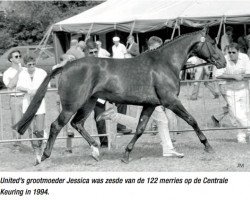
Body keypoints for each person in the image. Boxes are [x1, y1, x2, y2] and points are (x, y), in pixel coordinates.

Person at [96, 36, 184, 158]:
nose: (160, 50)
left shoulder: (155, 58)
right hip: (147, 98)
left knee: (146, 124)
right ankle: (168, 149)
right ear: (150, 47)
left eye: (160, 47)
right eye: (157, 48)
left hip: (150, 97)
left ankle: (112, 115)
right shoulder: (146, 58)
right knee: (161, 121)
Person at [213, 42, 250, 143]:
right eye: (229, 52)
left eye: (233, 52)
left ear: (238, 52)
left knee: (245, 113)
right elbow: (218, 74)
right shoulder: (224, 59)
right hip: (230, 91)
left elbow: (249, 73)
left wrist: (240, 77)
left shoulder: (245, 57)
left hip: (244, 89)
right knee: (237, 114)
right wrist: (234, 77)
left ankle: (241, 137)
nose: (231, 54)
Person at [16, 54, 48, 165]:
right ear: (25, 65)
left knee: (39, 129)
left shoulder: (42, 72)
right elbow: (18, 86)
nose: (32, 66)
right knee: (30, 129)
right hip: (27, 105)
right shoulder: (22, 74)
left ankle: (41, 146)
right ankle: (36, 151)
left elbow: (46, 85)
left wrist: (36, 90)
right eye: (29, 65)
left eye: (33, 64)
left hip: (39, 105)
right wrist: (28, 90)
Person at [3, 50, 24, 148]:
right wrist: (18, 73)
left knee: (32, 121)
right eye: (16, 56)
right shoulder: (7, 72)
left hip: (27, 98)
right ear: (11, 59)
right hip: (15, 99)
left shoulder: (25, 69)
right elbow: (10, 85)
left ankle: (36, 144)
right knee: (16, 122)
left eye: (20, 56)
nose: (19, 57)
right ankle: (17, 145)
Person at [112, 36, 132, 134]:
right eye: (114, 42)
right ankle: (121, 126)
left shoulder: (122, 46)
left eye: (117, 41)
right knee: (121, 102)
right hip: (116, 67)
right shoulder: (113, 47)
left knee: (121, 103)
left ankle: (121, 126)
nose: (116, 43)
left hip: (121, 66)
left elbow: (125, 55)